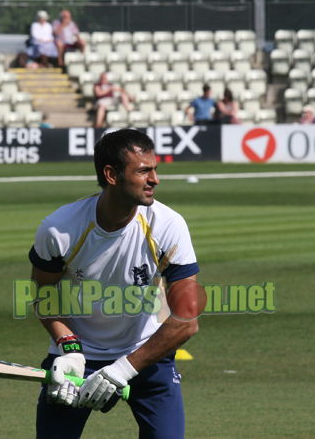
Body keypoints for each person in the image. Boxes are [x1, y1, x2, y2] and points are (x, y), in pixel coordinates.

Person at [29, 128, 200, 439]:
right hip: (75, 359)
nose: (155, 180)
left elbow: (186, 320)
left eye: (155, 170)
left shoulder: (169, 226)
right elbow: (43, 292)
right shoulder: (59, 228)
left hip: (146, 355)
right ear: (111, 175)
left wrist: (122, 369)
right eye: (143, 171)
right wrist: (69, 350)